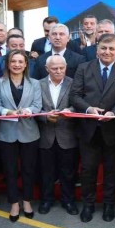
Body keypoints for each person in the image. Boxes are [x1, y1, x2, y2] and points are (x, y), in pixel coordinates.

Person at [70, 33, 115, 223]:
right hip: (88, 129)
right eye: (103, 48)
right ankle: (88, 205)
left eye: (111, 48)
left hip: (112, 128)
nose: (107, 52)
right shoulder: (83, 68)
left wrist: (114, 112)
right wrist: (88, 109)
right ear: (97, 49)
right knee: (88, 170)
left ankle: (109, 204)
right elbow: (75, 95)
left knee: (111, 170)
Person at [0, 50, 41, 222]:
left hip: (29, 132)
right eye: (13, 61)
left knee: (28, 169)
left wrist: (27, 111)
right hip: (7, 132)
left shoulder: (34, 83)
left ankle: (27, 201)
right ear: (8, 63)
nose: (17, 64)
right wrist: (8, 112)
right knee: (10, 170)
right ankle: (14, 203)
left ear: (26, 64)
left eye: (21, 61)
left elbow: (37, 105)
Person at [37, 55, 78, 215]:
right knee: (46, 172)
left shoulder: (74, 83)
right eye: (54, 68)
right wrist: (45, 116)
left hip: (67, 135)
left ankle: (68, 201)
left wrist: (70, 111)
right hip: (45, 135)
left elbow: (78, 104)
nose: (59, 71)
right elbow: (34, 107)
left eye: (62, 68)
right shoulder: (38, 84)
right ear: (47, 69)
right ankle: (46, 200)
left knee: (68, 172)